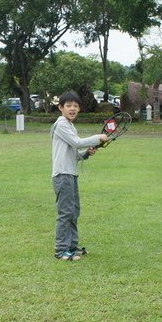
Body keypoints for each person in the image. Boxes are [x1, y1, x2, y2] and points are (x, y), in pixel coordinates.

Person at [50, 90, 109, 261]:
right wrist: (98, 138)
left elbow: (75, 152)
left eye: (75, 106)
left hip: (71, 174)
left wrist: (87, 153)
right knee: (65, 213)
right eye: (68, 106)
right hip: (63, 175)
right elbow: (77, 142)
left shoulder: (70, 126)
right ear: (60, 107)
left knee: (74, 212)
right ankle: (61, 249)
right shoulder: (61, 124)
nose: (72, 109)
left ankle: (72, 246)